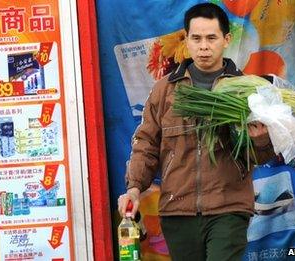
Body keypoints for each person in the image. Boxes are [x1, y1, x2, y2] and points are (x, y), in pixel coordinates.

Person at [117, 3, 276, 261]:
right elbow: (145, 143)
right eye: (197, 38)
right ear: (187, 41)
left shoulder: (245, 91)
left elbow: (259, 156)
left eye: (211, 38)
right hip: (177, 211)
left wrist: (260, 142)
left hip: (229, 208)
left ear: (226, 40)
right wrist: (134, 188)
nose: (204, 46)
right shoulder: (165, 91)